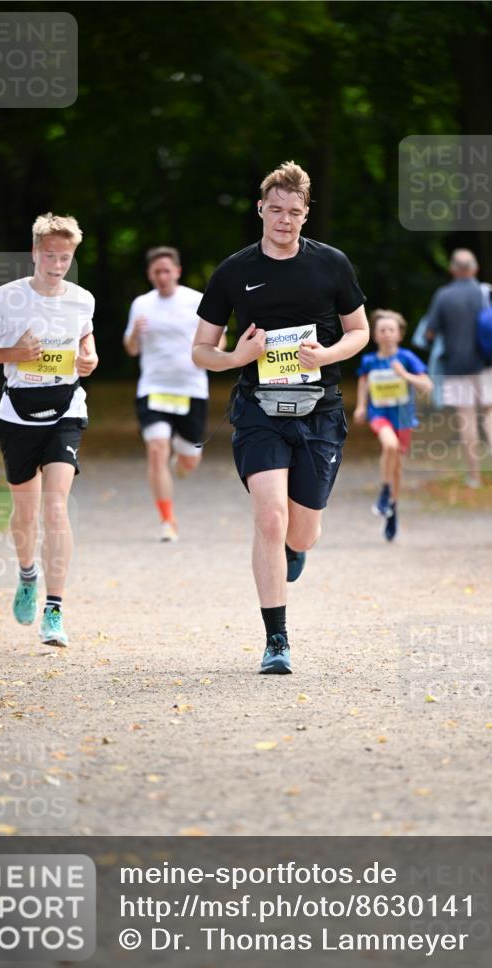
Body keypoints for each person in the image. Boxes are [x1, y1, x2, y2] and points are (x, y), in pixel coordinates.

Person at [193, 160, 369, 675]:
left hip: (321, 410)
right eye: (276, 210)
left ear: (306, 215)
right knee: (269, 517)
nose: (285, 220)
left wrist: (327, 355)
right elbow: (202, 350)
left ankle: (296, 550)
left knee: (301, 533)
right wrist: (235, 360)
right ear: (260, 210)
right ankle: (276, 640)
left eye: (294, 212)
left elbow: (358, 331)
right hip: (258, 410)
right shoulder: (234, 271)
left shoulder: (332, 264)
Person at [0, 213, 98, 647]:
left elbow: (86, 340)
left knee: (56, 506)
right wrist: (15, 352)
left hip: (66, 408)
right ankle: (27, 576)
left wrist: (88, 357)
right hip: (18, 411)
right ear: (34, 253)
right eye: (49, 256)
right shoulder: (7, 298)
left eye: (65, 257)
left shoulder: (82, 299)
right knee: (26, 513)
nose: (57, 264)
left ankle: (54, 610)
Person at [123, 246, 222, 542]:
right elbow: (130, 348)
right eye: (156, 272)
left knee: (190, 459)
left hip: (191, 389)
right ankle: (167, 520)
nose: (162, 276)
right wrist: (135, 334)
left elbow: (220, 338)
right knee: (156, 449)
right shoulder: (141, 304)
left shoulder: (197, 300)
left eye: (167, 270)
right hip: (154, 388)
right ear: (149, 275)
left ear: (177, 271)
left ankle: (181, 461)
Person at [425, 249, 492, 488]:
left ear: (452, 270)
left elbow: (430, 332)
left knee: (466, 418)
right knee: (491, 407)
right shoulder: (487, 292)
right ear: (475, 268)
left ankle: (474, 475)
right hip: (486, 363)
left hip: (455, 366)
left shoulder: (443, 296)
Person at [354, 309, 432, 541]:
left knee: (397, 467)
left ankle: (392, 510)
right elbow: (363, 382)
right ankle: (384, 492)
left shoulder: (407, 358)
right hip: (379, 414)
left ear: (399, 334)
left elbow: (426, 386)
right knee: (389, 446)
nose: (387, 334)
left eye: (391, 330)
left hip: (404, 418)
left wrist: (405, 375)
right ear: (375, 335)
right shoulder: (369, 361)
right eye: (382, 330)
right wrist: (360, 406)